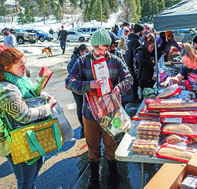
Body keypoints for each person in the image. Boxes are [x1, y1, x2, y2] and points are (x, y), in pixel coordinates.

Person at [65, 29, 133, 189]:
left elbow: (128, 78)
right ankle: (94, 177)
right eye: (99, 49)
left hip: (111, 111)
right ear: (93, 46)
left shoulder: (115, 60)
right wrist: (89, 85)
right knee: (93, 145)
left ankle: (113, 174)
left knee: (111, 143)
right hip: (90, 113)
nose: (103, 52)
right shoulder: (82, 61)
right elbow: (69, 82)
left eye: (106, 49)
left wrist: (119, 87)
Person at [0, 45, 57, 189]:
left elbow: (25, 99)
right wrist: (47, 107)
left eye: (25, 63)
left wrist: (40, 95)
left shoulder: (19, 80)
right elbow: (24, 116)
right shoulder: (7, 89)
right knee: (25, 181)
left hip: (28, 135)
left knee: (31, 175)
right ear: (7, 69)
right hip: (16, 141)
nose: (25, 68)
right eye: (21, 65)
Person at [67, 44, 90, 139]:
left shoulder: (83, 59)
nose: (88, 53)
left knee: (86, 105)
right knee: (80, 106)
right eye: (86, 51)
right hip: (77, 88)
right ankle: (83, 126)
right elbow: (71, 75)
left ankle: (86, 125)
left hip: (83, 86)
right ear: (81, 52)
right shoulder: (74, 61)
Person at [127, 23, 144, 102]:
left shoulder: (130, 38)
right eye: (142, 31)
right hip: (133, 64)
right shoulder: (136, 40)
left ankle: (134, 97)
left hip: (129, 62)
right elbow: (136, 54)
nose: (143, 32)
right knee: (134, 82)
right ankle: (135, 99)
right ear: (139, 31)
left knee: (133, 81)